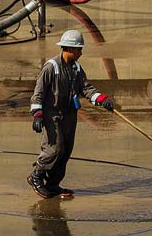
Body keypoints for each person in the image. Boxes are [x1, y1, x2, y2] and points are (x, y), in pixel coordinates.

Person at [28, 29, 113, 200]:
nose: (81, 52)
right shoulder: (50, 67)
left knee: (65, 151)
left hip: (70, 114)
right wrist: (37, 114)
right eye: (79, 49)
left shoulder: (76, 67)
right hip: (52, 115)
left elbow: (86, 88)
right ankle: (36, 176)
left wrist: (101, 99)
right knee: (54, 148)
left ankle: (53, 184)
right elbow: (38, 93)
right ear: (69, 49)